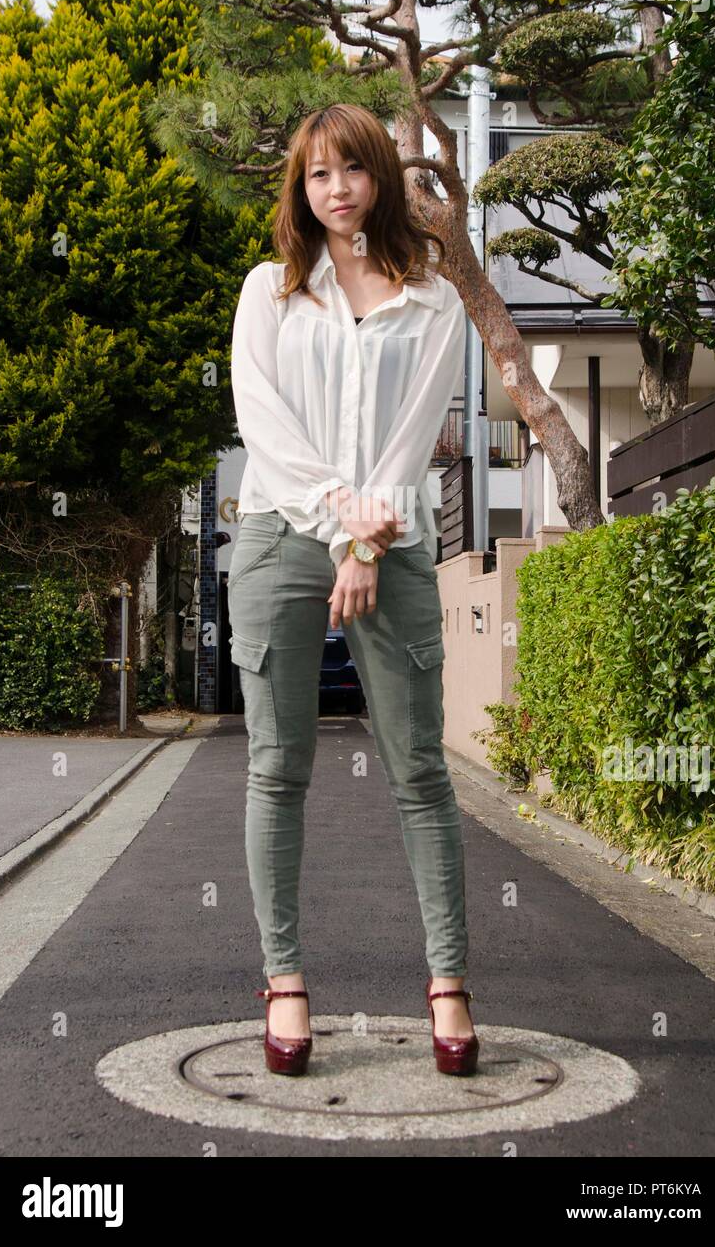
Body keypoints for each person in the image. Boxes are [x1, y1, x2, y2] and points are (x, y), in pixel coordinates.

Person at [229, 103, 479, 1076]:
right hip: (278, 539)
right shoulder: (269, 291)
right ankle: (284, 979)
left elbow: (414, 433)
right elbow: (264, 419)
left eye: (353, 170)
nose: (336, 189)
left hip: (392, 544)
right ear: (301, 185)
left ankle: (449, 980)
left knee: (419, 767)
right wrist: (341, 523)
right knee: (276, 766)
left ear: (379, 177)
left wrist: (367, 544)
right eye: (318, 174)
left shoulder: (431, 299)